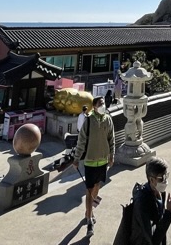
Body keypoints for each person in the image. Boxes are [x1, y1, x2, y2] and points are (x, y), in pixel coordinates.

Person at [74, 96, 115, 237]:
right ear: (94, 106)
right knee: (89, 189)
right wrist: (76, 159)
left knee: (97, 186)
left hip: (103, 160)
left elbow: (111, 139)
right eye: (100, 103)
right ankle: (89, 219)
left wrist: (112, 155)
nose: (103, 105)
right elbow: (81, 141)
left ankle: (89, 211)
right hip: (90, 161)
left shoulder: (108, 119)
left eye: (103, 103)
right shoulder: (88, 121)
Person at [130, 158, 171, 245]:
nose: (165, 181)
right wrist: (168, 212)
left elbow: (160, 225)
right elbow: (152, 240)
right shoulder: (142, 203)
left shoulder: (160, 192)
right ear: (151, 180)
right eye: (161, 178)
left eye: (166, 176)